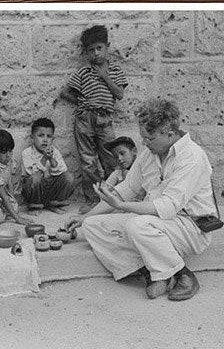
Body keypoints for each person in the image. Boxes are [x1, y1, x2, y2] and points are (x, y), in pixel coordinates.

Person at [67, 98, 215, 302]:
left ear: (170, 133)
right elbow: (126, 189)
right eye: (143, 137)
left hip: (191, 227)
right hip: (158, 224)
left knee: (137, 225)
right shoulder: (149, 154)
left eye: (150, 138)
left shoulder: (192, 157)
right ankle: (151, 270)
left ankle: (183, 274)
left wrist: (121, 206)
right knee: (92, 226)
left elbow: (168, 207)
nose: (144, 143)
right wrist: (85, 217)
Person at [58, 24, 129, 211]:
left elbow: (119, 94)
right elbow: (65, 92)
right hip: (85, 120)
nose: (96, 53)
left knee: (110, 158)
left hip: (105, 119)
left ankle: (113, 196)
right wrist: (83, 103)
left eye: (99, 48)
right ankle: (92, 199)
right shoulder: (83, 72)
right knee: (88, 161)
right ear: (86, 53)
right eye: (91, 50)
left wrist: (105, 77)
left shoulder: (114, 71)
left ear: (107, 47)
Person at [19, 116, 75, 211]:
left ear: (53, 138)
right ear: (32, 137)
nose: (45, 140)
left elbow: (63, 170)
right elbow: (32, 173)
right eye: (40, 135)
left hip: (50, 188)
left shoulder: (55, 151)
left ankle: (54, 202)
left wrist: (51, 159)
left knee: (69, 177)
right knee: (35, 178)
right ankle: (35, 204)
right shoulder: (27, 152)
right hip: (35, 191)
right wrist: (44, 158)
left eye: (49, 136)